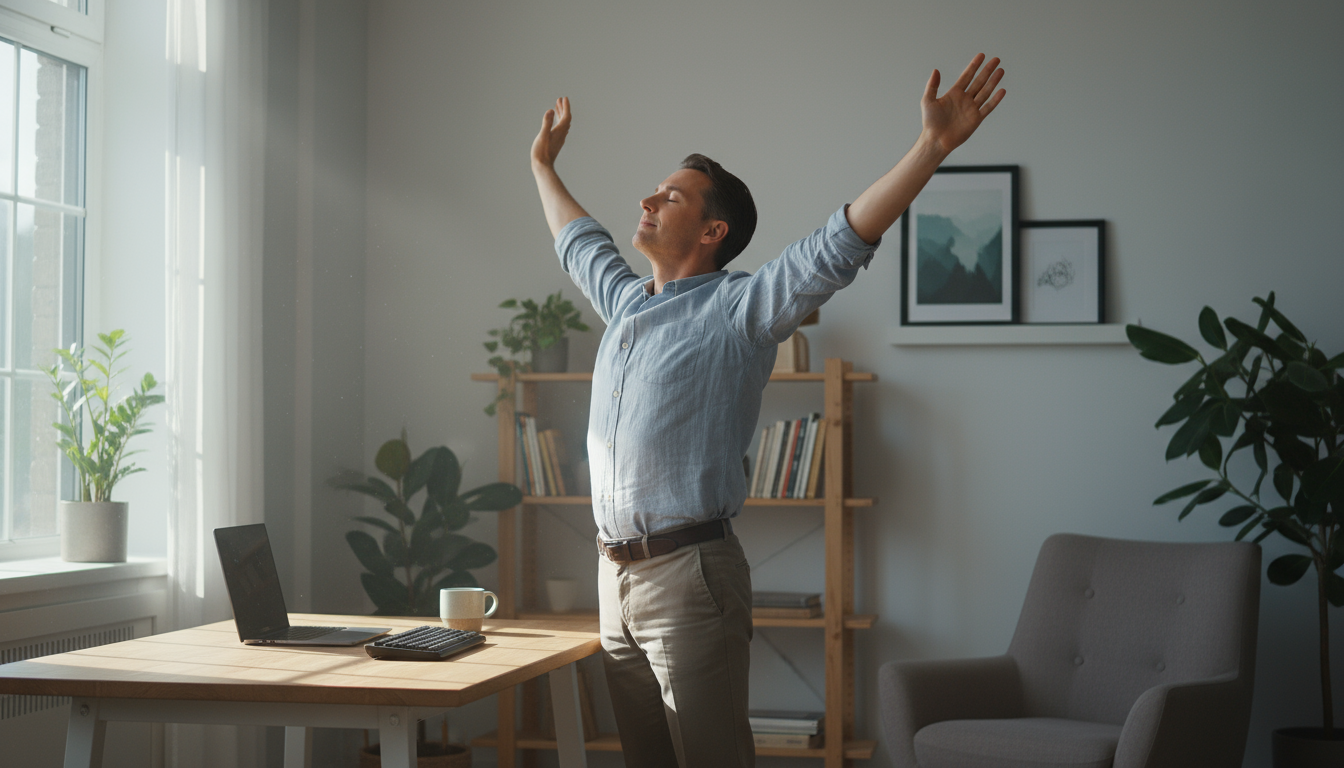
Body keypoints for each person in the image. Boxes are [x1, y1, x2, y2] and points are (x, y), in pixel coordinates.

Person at [528, 54, 1006, 768]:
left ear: (712, 232)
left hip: (689, 574)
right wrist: (543, 164)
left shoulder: (738, 308)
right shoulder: (627, 304)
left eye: (671, 197)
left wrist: (931, 147)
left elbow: (835, 247)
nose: (648, 201)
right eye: (653, 192)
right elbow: (577, 241)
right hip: (612, 577)